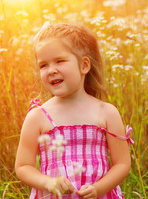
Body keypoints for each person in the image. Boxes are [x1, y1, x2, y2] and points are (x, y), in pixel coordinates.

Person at [15, 23, 134, 199]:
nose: (51, 70)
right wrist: (48, 182)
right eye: (43, 65)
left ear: (84, 65)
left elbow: (122, 163)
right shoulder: (38, 117)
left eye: (60, 61)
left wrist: (99, 189)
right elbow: (23, 166)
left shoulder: (106, 113)